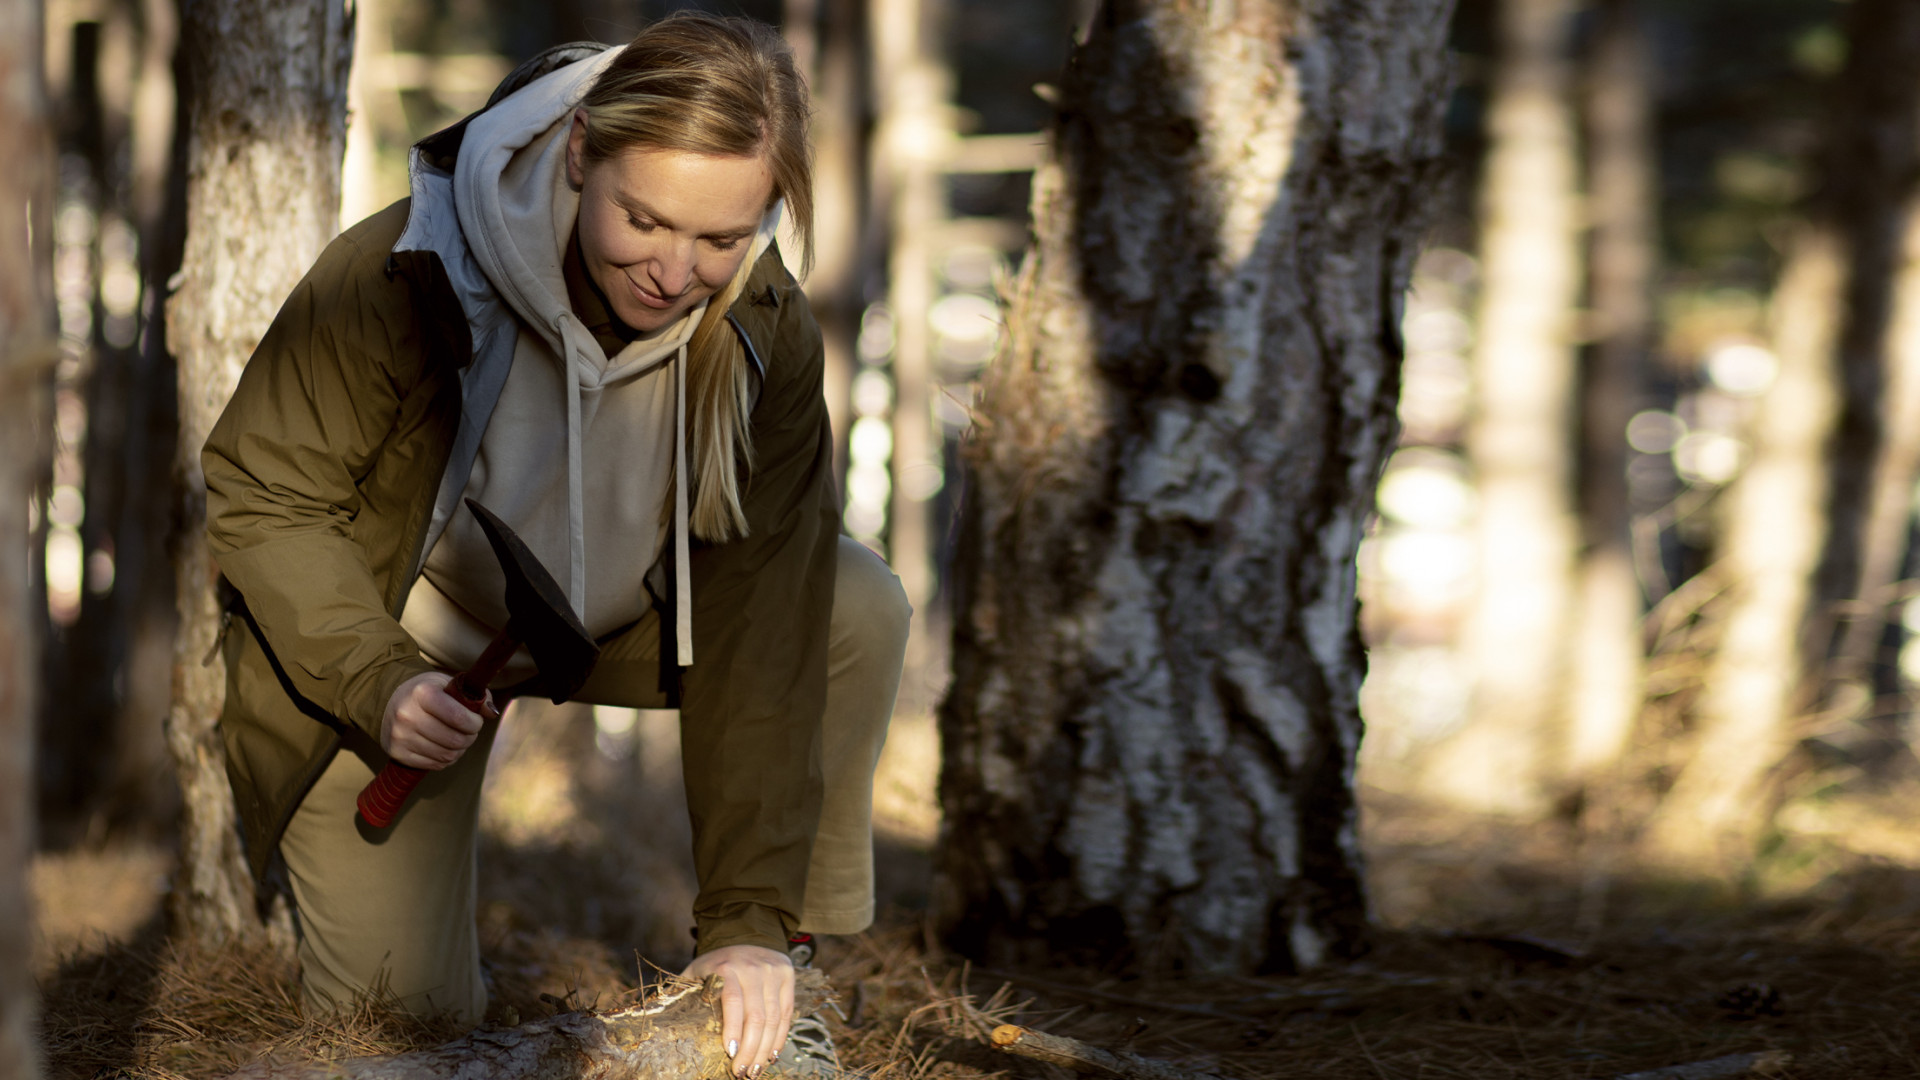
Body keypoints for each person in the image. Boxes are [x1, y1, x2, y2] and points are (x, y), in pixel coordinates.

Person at [201, 15, 909, 1079]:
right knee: (407, 1018)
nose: (676, 272)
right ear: (581, 152)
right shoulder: (408, 267)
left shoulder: (765, 327)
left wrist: (746, 919)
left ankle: (780, 967)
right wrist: (377, 681)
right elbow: (265, 491)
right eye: (646, 220)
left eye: (722, 237)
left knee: (850, 602)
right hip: (409, 645)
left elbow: (764, 616)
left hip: (616, 623)